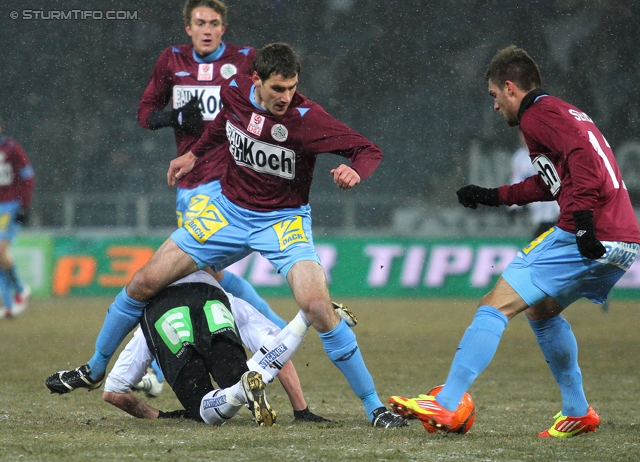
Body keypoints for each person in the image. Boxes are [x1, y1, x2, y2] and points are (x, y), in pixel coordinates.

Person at [46, 43, 406, 428]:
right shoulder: (235, 90)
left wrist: (355, 171)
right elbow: (221, 125)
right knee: (143, 281)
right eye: (278, 89)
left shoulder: (307, 118)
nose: (286, 97)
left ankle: (374, 407)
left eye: (292, 88)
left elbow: (368, 150)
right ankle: (95, 368)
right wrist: (194, 155)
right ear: (257, 80)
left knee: (318, 308)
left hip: (282, 221)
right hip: (228, 213)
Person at [389, 45, 640, 438]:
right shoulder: (562, 112)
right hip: (624, 239)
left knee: (495, 305)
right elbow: (550, 182)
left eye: (493, 95)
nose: (493, 106)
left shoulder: (538, 114)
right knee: (541, 312)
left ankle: (447, 401)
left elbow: (583, 162)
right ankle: (577, 411)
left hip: (591, 230)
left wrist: (584, 223)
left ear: (510, 88)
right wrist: (493, 196)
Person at [137, 0, 287, 329]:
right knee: (208, 272)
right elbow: (145, 113)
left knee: (187, 271)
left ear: (223, 28)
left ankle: (158, 366)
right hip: (192, 182)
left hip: (230, 180)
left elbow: (275, 104)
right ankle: (276, 327)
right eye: (200, 23)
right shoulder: (171, 60)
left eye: (214, 23)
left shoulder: (245, 59)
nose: (207, 30)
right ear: (188, 28)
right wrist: (173, 116)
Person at [102, 270, 321, 426]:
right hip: (213, 297)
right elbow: (274, 347)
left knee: (202, 407)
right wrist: (301, 411)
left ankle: (238, 391)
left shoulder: (147, 318)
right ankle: (305, 318)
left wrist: (159, 416)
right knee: (237, 375)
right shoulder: (227, 296)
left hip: (163, 310)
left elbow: (113, 392)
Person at [0, 117, 34, 319]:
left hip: (9, 205)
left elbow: (28, 176)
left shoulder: (12, 148)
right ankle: (8, 304)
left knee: (0, 251)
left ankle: (21, 289)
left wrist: (24, 205)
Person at [510, 130, 559, 238]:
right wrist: (514, 207)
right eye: (522, 135)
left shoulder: (548, 152)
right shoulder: (519, 158)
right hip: (536, 207)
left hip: (555, 203)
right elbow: (517, 181)